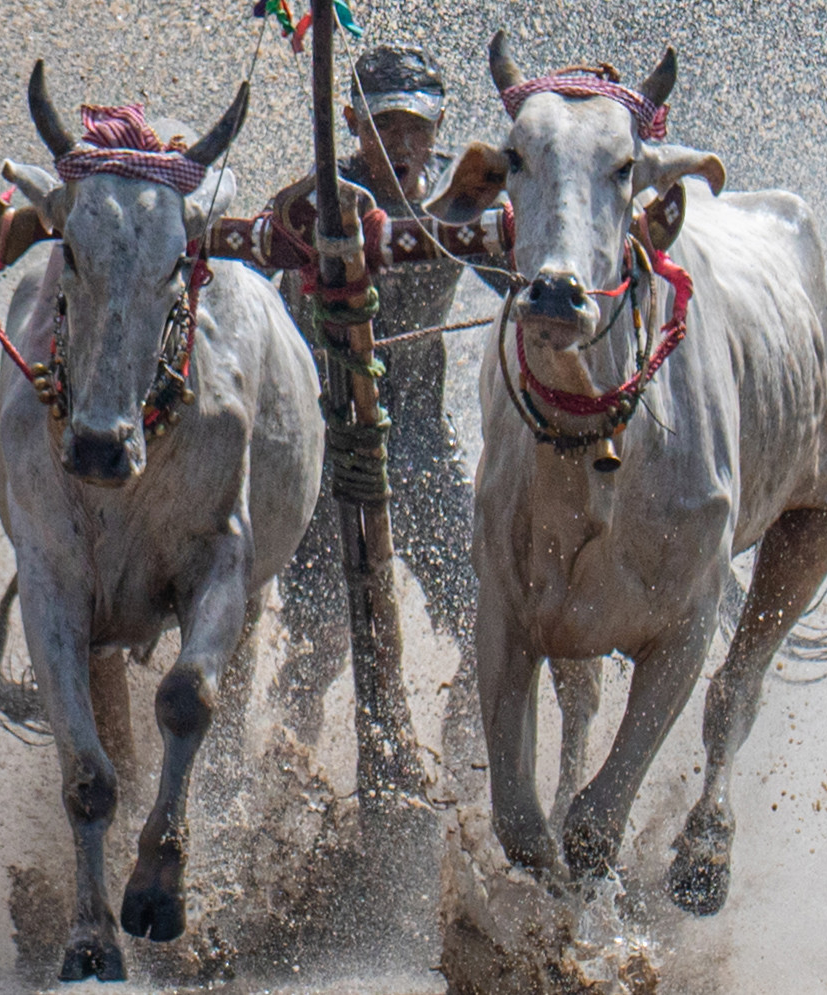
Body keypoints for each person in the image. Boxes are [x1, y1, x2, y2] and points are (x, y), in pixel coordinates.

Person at [274, 44, 504, 755]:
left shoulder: (462, 202)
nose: (403, 143)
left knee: (482, 615)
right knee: (318, 640)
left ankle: (466, 741)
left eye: (417, 127)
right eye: (384, 126)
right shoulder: (311, 200)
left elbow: (524, 277)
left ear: (438, 131)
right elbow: (257, 268)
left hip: (418, 444)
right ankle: (288, 761)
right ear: (350, 123)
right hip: (322, 447)